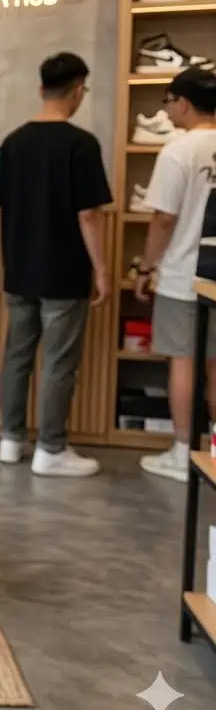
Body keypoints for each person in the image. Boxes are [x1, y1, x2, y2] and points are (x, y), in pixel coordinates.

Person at [0, 52, 111, 477]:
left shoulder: (13, 141)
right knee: (59, 362)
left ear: (41, 89)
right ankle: (51, 449)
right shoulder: (81, 143)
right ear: (78, 90)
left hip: (20, 270)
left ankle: (10, 441)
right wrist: (102, 269)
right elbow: (88, 214)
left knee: (17, 356)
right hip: (65, 273)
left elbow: (2, 204)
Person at [134, 67, 216, 482]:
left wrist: (146, 267)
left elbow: (164, 219)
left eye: (168, 102)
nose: (167, 111)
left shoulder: (179, 150)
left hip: (185, 273)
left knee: (183, 361)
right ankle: (213, 452)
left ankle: (183, 453)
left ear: (183, 102)